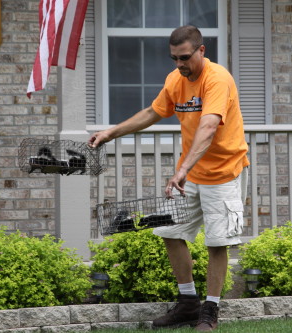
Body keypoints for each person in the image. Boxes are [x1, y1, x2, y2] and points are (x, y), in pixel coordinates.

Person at [88, 25, 249, 332]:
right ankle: (189, 304)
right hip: (189, 174)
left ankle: (210, 310)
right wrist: (111, 132)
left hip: (223, 172)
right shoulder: (176, 80)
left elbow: (208, 127)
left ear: (201, 51)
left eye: (185, 57)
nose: (179, 64)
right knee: (168, 230)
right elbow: (153, 111)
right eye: (174, 58)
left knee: (217, 242)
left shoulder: (217, 80)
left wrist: (182, 169)